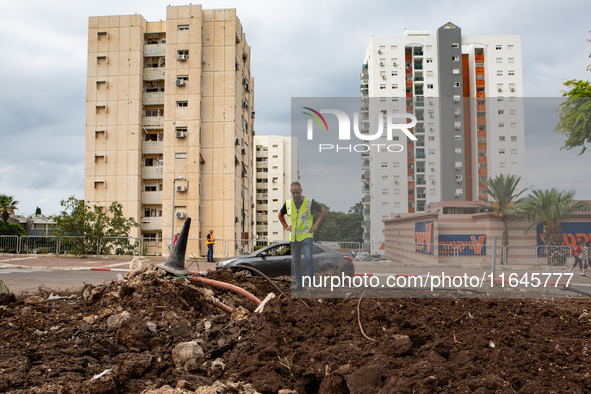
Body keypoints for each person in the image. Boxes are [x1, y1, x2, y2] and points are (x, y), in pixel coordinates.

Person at [278, 182, 326, 292]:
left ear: (301, 191)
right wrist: (286, 226)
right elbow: (280, 215)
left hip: (307, 236)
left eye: (297, 193)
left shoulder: (309, 202)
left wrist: (316, 225)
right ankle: (299, 284)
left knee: (309, 259)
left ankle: (310, 285)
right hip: (294, 238)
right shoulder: (288, 204)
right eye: (293, 193)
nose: (295, 195)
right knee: (296, 261)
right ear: (291, 192)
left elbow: (323, 211)